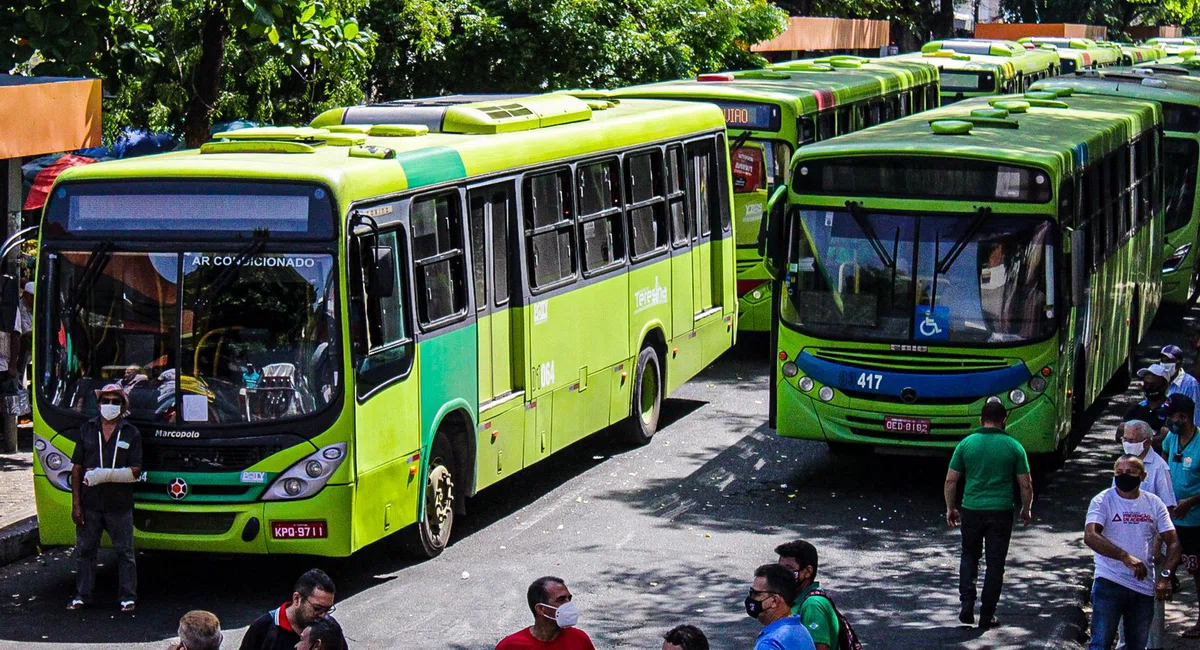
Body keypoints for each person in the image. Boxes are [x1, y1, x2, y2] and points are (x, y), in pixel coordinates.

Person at [944, 400, 1033, 629]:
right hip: (1001, 511)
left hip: (972, 509)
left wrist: (951, 507)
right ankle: (987, 614)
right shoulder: (1013, 446)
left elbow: (951, 480)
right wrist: (1026, 508)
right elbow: (1025, 485)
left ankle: (966, 602)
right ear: (1004, 419)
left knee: (969, 555)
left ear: (980, 419)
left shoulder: (966, 444)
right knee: (995, 563)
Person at [1085, 455, 1181, 650]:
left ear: (1143, 476)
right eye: (1119, 472)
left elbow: (1174, 542)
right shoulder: (1103, 500)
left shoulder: (1154, 503)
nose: (1124, 476)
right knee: (1100, 642)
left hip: (1142, 586)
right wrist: (1124, 557)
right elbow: (1091, 535)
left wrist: (1165, 576)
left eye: (1130, 472)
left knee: (1137, 644)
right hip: (1109, 581)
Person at [68, 383, 142, 612]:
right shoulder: (87, 429)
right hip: (90, 502)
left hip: (119, 504)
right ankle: (82, 595)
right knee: (85, 551)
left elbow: (135, 471)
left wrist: (104, 475)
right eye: (105, 401)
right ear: (98, 405)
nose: (110, 405)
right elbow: (77, 468)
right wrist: (76, 504)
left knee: (125, 553)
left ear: (122, 406)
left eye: (115, 401)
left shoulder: (131, 432)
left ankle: (128, 596)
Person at [1116, 420, 1176, 650]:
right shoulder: (1123, 466)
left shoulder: (1159, 468)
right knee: (1125, 603)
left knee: (1150, 607)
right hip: (1126, 549)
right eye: (1125, 440)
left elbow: (1167, 510)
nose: (1127, 444)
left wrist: (1157, 544)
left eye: (1131, 440)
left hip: (1151, 550)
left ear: (1147, 442)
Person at [1163, 394, 1200, 640]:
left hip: (1195, 521)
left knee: (1197, 572)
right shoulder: (1171, 438)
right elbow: (1166, 464)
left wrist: (1191, 502)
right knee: (1166, 562)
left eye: (1172, 416)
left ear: (1183, 417)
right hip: (1173, 519)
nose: (1169, 421)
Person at [240, 569, 347, 650]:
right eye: (317, 608)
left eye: (327, 610)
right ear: (297, 599)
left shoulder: (330, 629)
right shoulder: (264, 628)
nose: (323, 616)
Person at [495, 576, 595, 650]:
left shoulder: (580, 640)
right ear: (541, 609)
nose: (568, 604)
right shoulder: (510, 646)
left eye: (569, 598)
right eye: (561, 600)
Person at [775, 540, 838, 650]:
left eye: (789, 568)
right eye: (779, 568)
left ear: (808, 571)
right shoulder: (796, 599)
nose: (781, 573)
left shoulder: (812, 605)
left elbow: (819, 647)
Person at [747, 564, 815, 650]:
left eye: (756, 594)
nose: (751, 598)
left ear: (775, 601)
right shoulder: (802, 632)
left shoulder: (769, 644)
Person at [1126, 364, 1173, 444]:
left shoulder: (1172, 410)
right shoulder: (1136, 409)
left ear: (1165, 385)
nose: (1148, 387)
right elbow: (1121, 435)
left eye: (1153, 385)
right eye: (1146, 384)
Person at [1163, 345, 1200, 421]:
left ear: (1179, 364)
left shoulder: (1191, 384)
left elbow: (1195, 414)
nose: (1164, 364)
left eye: (1169, 361)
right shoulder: (1159, 380)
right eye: (1162, 361)